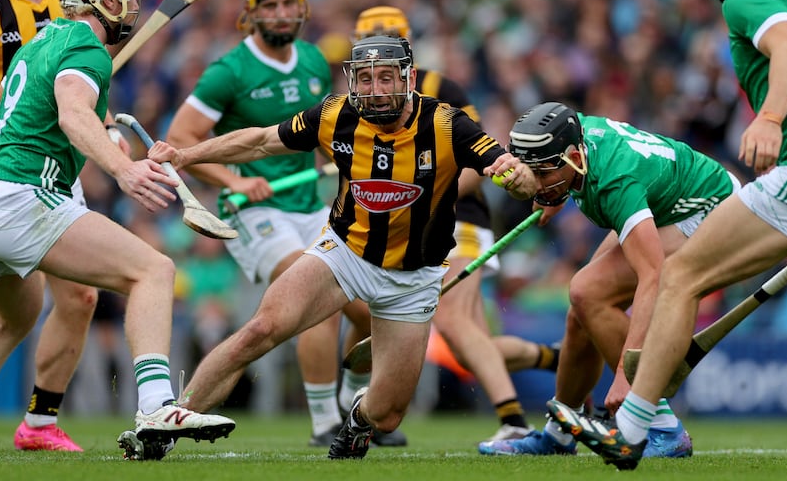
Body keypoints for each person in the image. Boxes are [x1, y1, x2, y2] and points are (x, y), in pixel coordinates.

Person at [148, 34, 536, 460]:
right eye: (365, 79)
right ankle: (169, 420)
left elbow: (506, 168)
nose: (375, 89)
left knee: (387, 416)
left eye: (386, 78)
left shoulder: (446, 124)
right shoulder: (335, 113)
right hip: (345, 254)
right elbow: (260, 140)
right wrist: (187, 155)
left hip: (414, 278)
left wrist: (518, 177)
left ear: (408, 78)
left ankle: (358, 418)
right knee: (262, 328)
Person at [544, 0, 787, 471]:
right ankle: (636, 427)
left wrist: (768, 117)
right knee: (670, 278)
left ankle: (638, 428)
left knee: (679, 276)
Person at [0, 0, 235, 461]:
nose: (133, 6)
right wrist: (123, 169)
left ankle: (40, 421)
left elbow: (14, 107)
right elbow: (71, 113)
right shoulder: (86, 48)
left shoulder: (43, 39)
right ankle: (156, 406)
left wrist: (102, 135)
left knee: (19, 313)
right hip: (22, 198)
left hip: (1, 193)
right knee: (153, 270)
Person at [163, 0, 397, 448]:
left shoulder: (313, 60)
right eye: (270, 5)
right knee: (319, 289)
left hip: (310, 204)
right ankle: (323, 423)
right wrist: (235, 180)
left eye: (290, 4)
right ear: (250, 11)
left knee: (369, 308)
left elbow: (329, 133)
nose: (282, 14)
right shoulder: (228, 72)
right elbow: (182, 140)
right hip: (250, 212)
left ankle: (357, 408)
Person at [479, 102, 740, 459]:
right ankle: (560, 433)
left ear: (573, 156)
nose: (536, 181)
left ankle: (660, 424)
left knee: (588, 292)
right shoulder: (571, 136)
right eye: (531, 171)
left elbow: (654, 278)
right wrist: (550, 194)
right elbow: (558, 162)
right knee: (581, 310)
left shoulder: (615, 180)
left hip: (711, 211)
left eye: (543, 173)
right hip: (668, 203)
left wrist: (626, 376)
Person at [350, 5, 559, 441]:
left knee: (454, 322)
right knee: (469, 346)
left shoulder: (440, 88)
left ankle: (513, 423)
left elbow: (475, 161)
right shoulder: (355, 102)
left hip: (455, 218)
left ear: (407, 46)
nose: (377, 54)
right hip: (402, 231)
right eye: (370, 40)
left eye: (389, 36)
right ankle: (562, 357)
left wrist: (422, 193)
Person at [0, 0, 129, 452]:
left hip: (52, 168)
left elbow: (80, 89)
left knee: (74, 299)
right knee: (18, 313)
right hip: (9, 162)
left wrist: (107, 128)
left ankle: (39, 423)